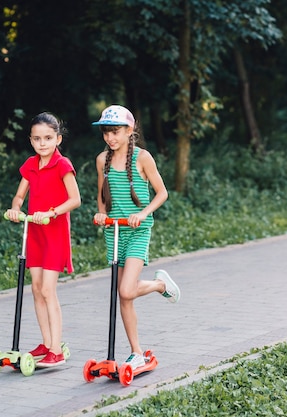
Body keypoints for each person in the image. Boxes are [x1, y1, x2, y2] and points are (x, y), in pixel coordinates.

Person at [92, 104, 181, 371]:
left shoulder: (143, 158)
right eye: (106, 132)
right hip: (114, 231)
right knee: (125, 297)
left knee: (126, 290)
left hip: (137, 231)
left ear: (130, 131)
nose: (110, 137)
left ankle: (159, 285)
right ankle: (137, 352)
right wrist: (99, 213)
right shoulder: (101, 160)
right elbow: (102, 194)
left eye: (116, 132)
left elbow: (162, 192)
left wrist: (142, 214)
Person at [6, 112, 81, 368]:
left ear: (58, 139)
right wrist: (16, 208)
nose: (43, 143)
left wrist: (52, 213)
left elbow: (75, 199)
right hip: (35, 233)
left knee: (48, 290)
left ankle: (56, 349)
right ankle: (47, 342)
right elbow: (19, 196)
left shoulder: (62, 165)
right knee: (36, 289)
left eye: (48, 138)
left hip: (54, 232)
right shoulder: (30, 165)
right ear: (31, 140)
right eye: (37, 139)